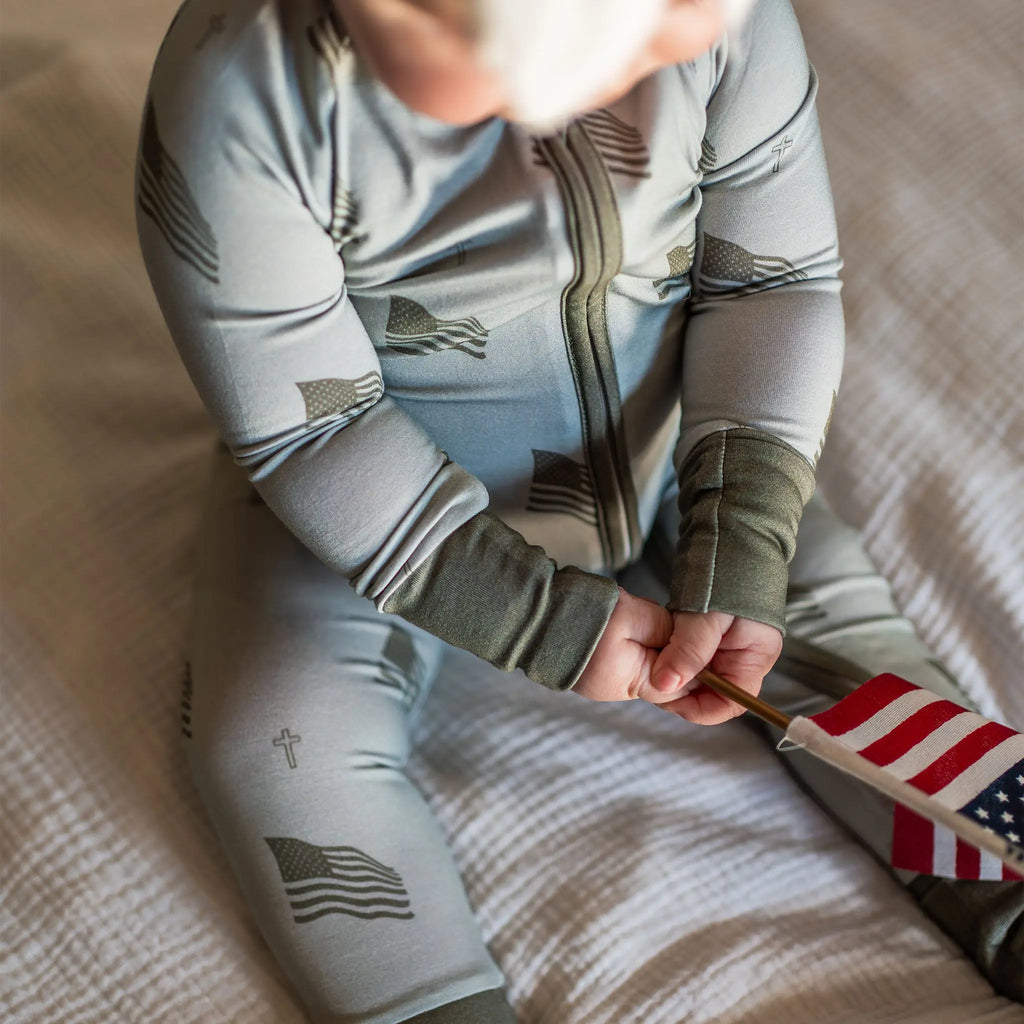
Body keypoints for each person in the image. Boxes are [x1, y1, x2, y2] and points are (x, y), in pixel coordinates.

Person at [135, 0, 1022, 1019]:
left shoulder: (719, 19)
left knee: (840, 643)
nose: (630, 69)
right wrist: (534, 617)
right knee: (273, 745)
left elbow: (770, 287)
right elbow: (314, 434)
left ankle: (1006, 883)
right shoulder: (242, 100)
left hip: (680, 457)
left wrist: (743, 527)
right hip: (370, 508)